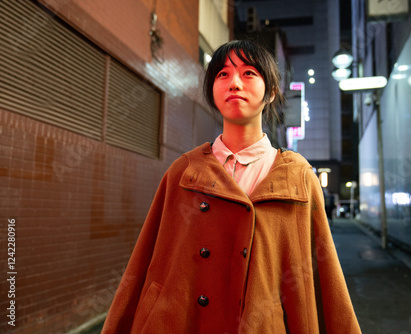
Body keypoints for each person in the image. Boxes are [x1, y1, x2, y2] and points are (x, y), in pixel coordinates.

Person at [102, 40, 361, 333]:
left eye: (248, 73)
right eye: (222, 74)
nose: (234, 83)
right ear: (212, 92)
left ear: (272, 92)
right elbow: (145, 262)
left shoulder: (297, 178)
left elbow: (325, 278)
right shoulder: (184, 172)